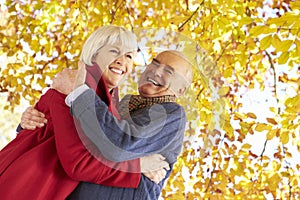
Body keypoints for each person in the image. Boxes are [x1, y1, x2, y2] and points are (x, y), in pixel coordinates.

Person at [0, 25, 167, 200]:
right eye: (114, 51)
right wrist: (137, 168)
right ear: (94, 54)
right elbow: (79, 162)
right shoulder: (74, 87)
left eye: (129, 56)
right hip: (25, 184)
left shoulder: (110, 105)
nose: (121, 61)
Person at [21, 50, 193, 199]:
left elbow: (120, 143)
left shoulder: (172, 114)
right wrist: (31, 122)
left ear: (180, 90)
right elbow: (73, 143)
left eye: (169, 72)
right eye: (154, 64)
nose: (156, 72)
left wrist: (78, 92)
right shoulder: (118, 105)